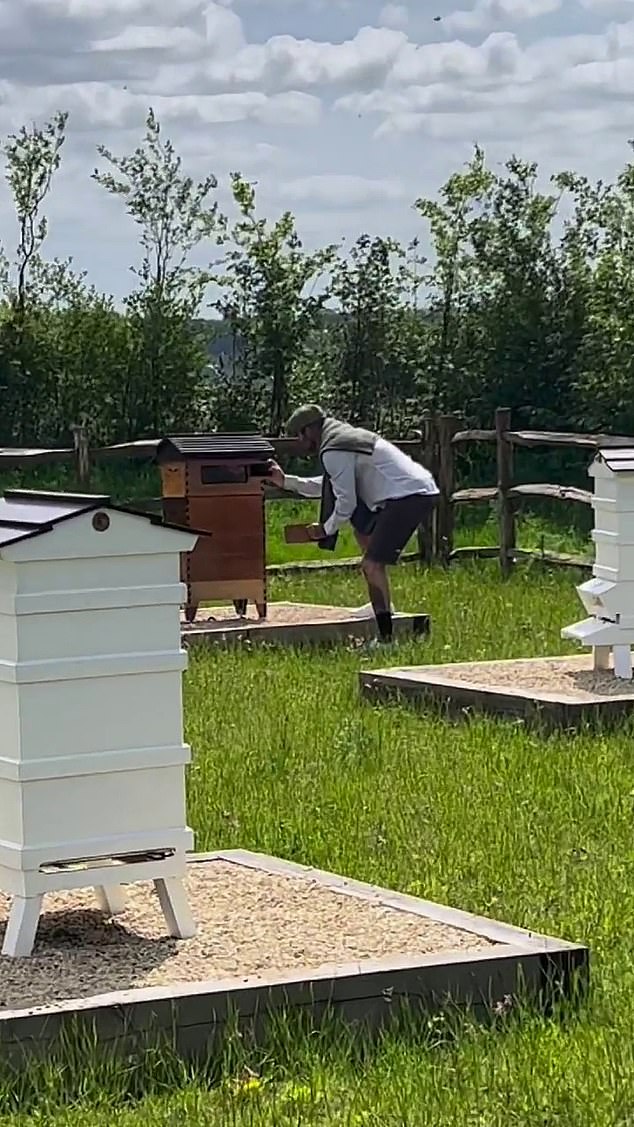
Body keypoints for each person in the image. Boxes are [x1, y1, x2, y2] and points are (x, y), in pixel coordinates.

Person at [267, 404, 438, 645]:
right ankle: (380, 606)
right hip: (410, 492)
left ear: (309, 430)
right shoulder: (341, 438)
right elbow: (330, 487)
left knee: (371, 564)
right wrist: (287, 482)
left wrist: (325, 529)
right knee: (362, 530)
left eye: (300, 435)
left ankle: (387, 640)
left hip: (406, 497)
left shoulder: (333, 449)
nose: (300, 442)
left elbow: (345, 502)